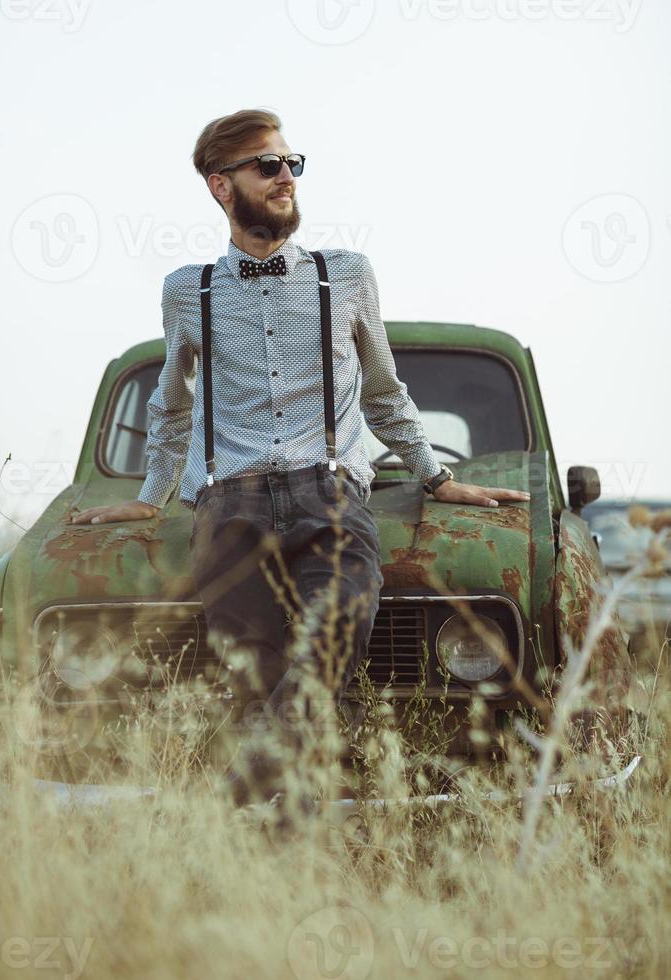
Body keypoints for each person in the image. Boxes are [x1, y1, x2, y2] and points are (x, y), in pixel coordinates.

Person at [69, 108, 529, 810]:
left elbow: (381, 391)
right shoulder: (184, 291)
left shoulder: (346, 275)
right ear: (222, 188)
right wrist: (153, 493)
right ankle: (292, 845)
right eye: (268, 166)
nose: (287, 177)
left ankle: (239, 793)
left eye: (292, 163)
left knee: (339, 622)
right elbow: (172, 402)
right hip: (229, 502)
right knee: (253, 672)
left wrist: (435, 476)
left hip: (331, 493)